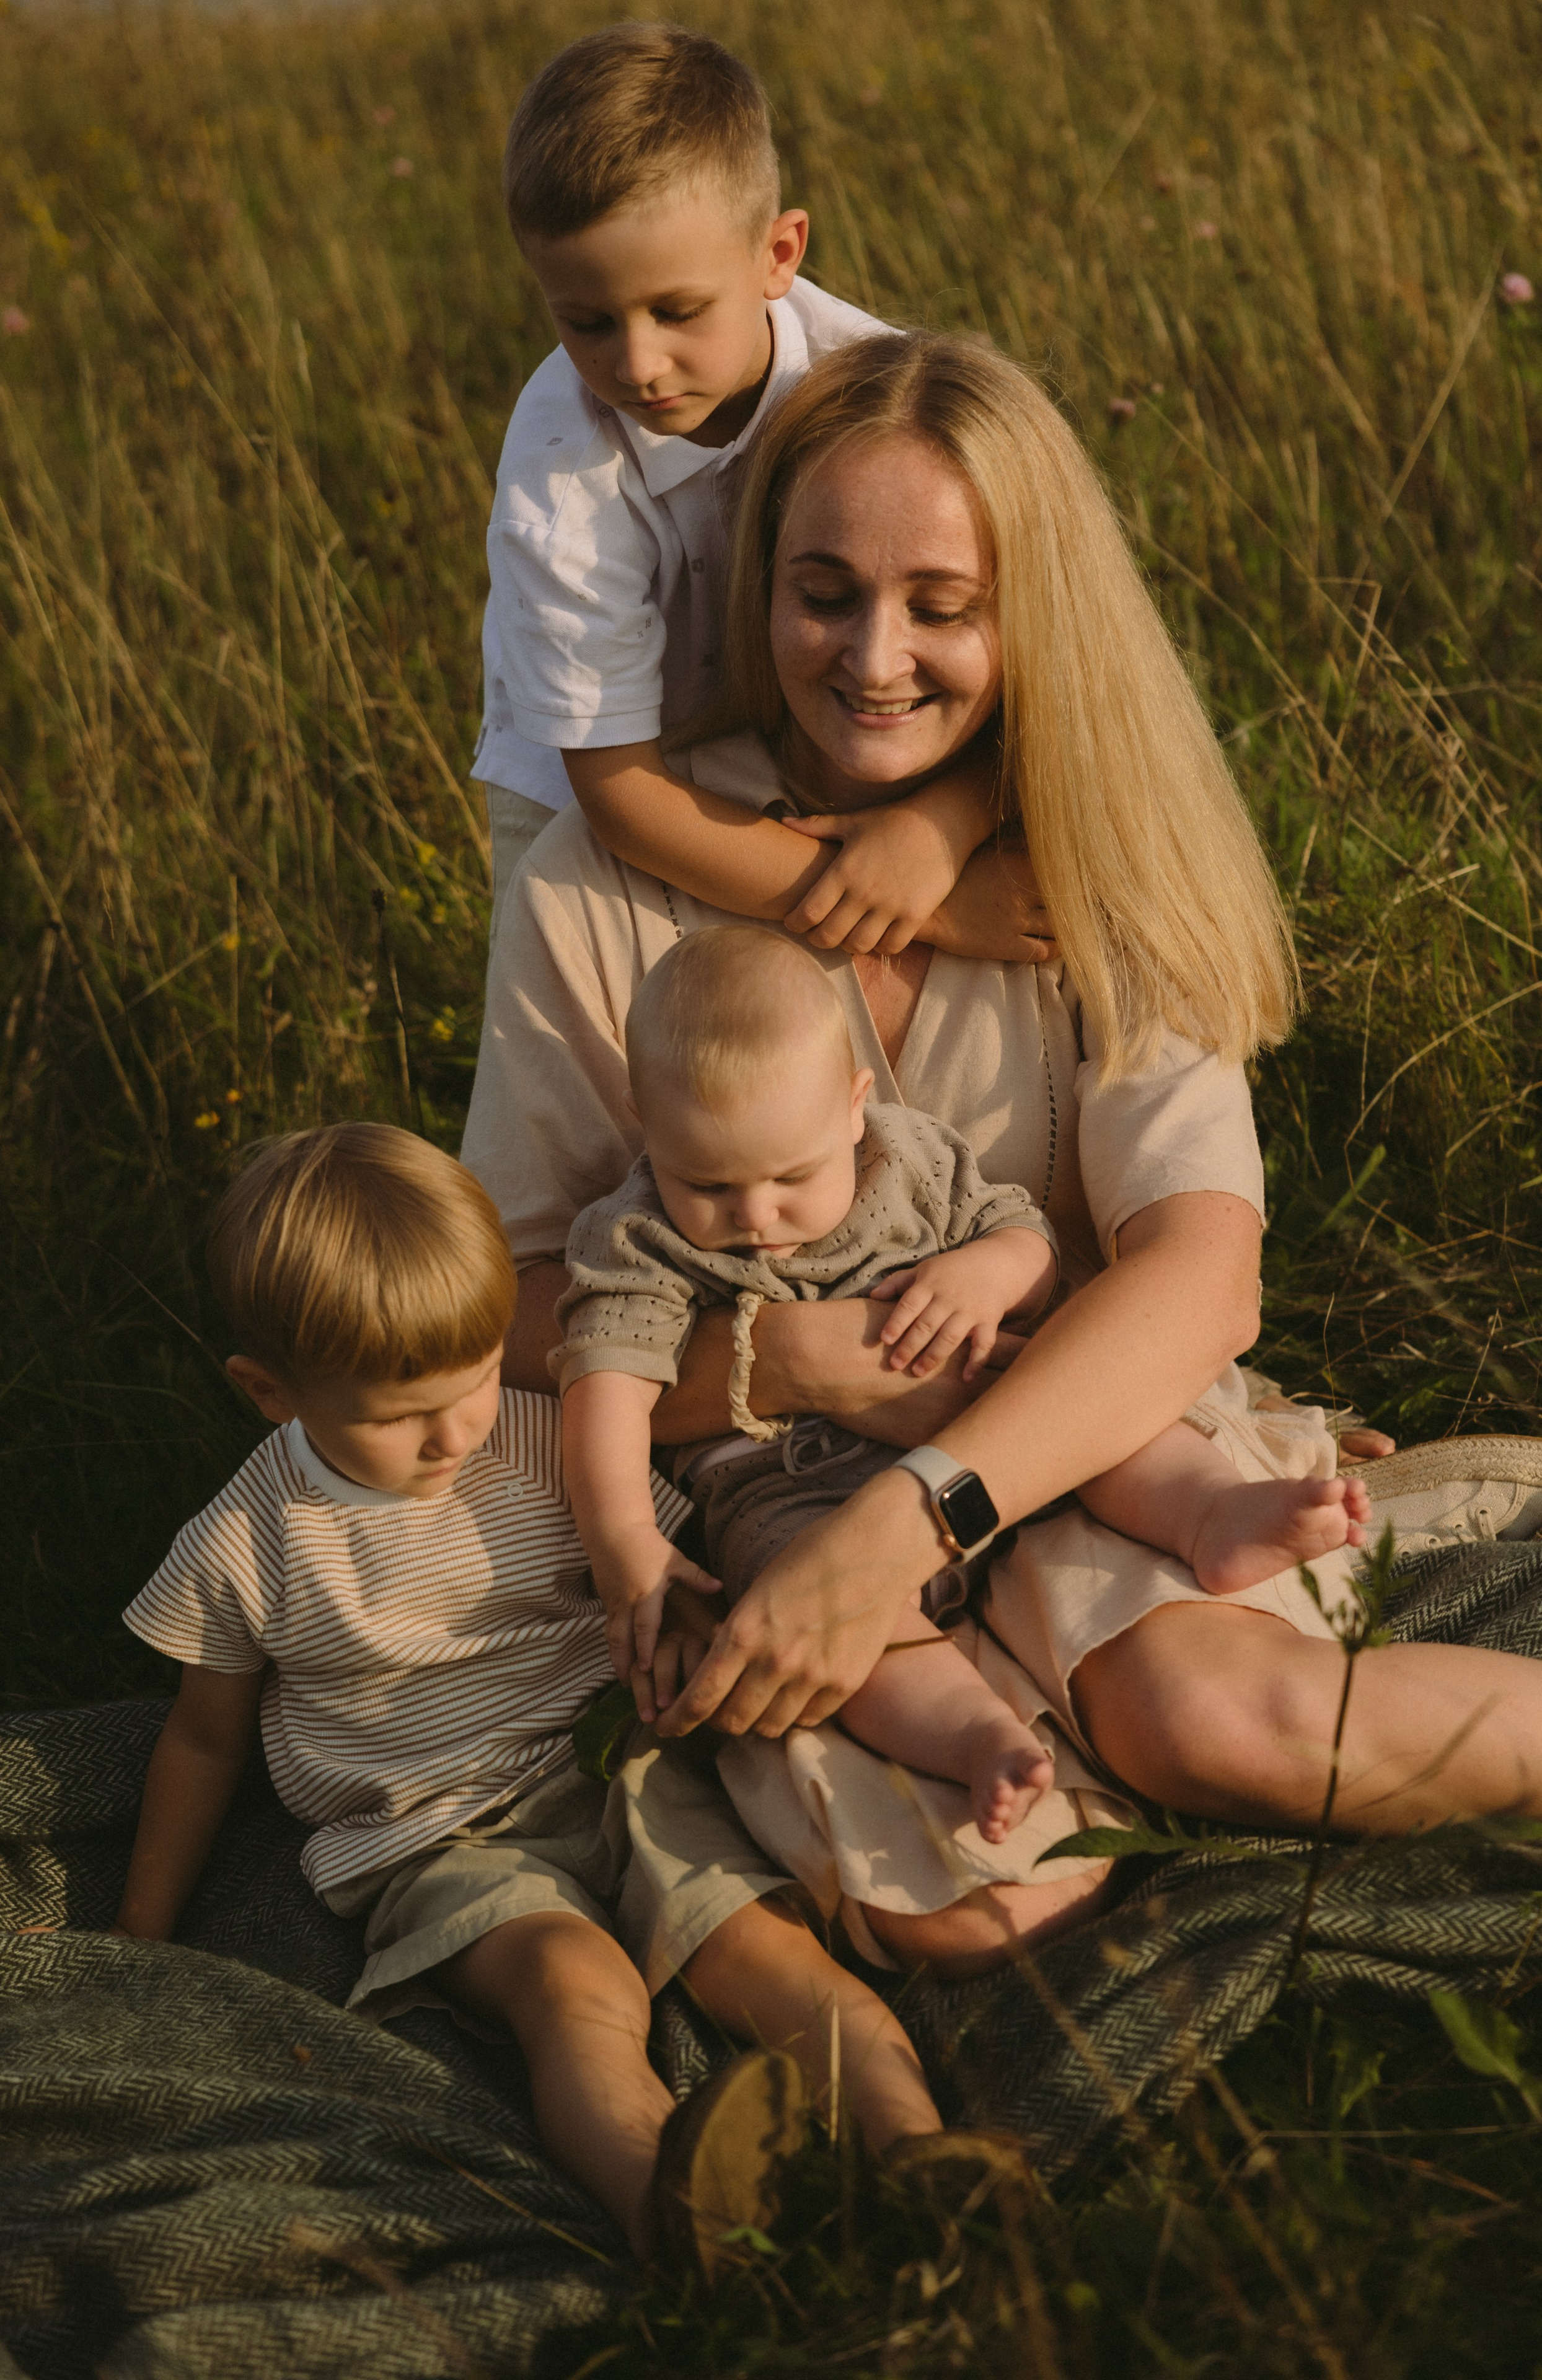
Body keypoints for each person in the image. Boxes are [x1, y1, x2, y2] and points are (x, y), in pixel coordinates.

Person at [465, 328, 1542, 1982]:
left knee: (1226, 1731)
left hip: (1084, 1435)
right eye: (824, 593)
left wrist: (916, 1512)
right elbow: (507, 1301)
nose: (874, 657)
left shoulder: (1088, 852)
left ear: (1027, 609)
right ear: (758, 588)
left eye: (942, 605)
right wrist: (787, 1361)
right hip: (764, 1495)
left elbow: (1200, 1274)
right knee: (988, 1913)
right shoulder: (594, 888)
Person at [111, 1123, 947, 2270]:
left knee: (770, 1953)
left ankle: (935, 2170)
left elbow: (669, 1573)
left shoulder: (541, 1435)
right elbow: (204, 1743)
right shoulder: (246, 1544)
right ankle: (676, 2219)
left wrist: (685, 1640)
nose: (454, 1432)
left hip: (615, 1764)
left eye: (472, 1383)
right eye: (399, 1416)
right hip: (436, 1835)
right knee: (573, 1988)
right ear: (270, 1393)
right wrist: (143, 1935)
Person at [557, 924, 1372, 1847]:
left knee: (1100, 1417)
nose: (755, 1215)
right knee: (826, 1624)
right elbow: (605, 1386)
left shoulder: (910, 1161)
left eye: (792, 1175)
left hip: (987, 1428)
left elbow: (1026, 1239)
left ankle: (1212, 1515)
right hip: (789, 1491)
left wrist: (989, 1272)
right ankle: (976, 1737)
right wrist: (623, 1539)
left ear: (854, 1107)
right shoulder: (637, 1238)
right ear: (645, 1122)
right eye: (706, 1184)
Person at [477, 24, 1053, 974]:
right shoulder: (562, 483)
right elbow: (624, 802)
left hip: (796, 732)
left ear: (779, 253)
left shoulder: (874, 384)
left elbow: (1038, 665)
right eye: (585, 322)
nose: (637, 363)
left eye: (677, 311)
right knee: (586, 1003)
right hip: (592, 788)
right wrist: (934, 910)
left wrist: (937, 831)